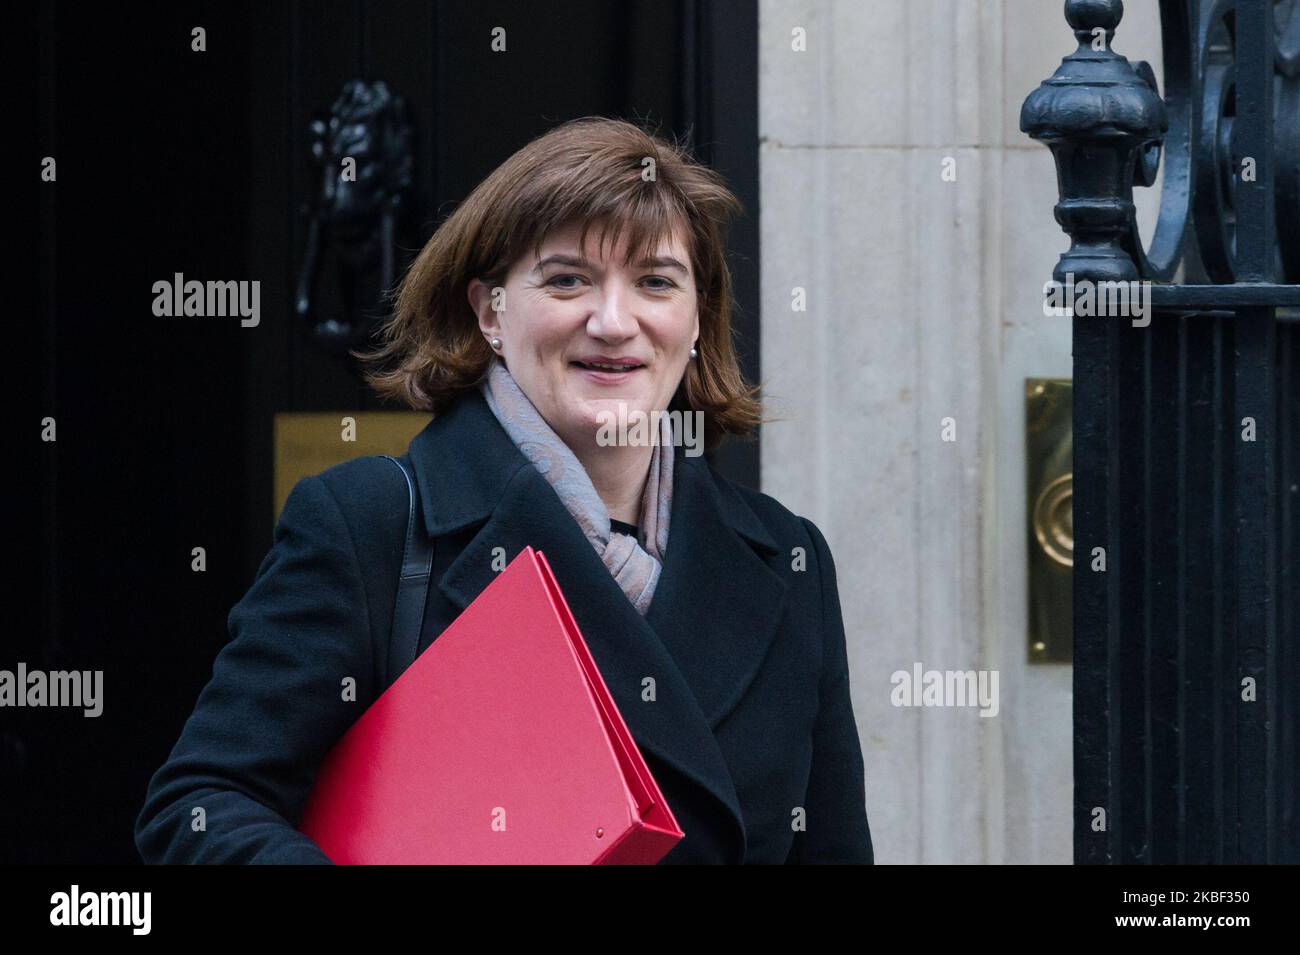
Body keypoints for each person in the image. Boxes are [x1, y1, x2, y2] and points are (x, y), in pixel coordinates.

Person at [134, 116, 873, 864]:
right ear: (490, 312)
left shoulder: (789, 560)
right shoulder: (372, 525)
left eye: (655, 281)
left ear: (696, 318)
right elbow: (197, 806)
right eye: (567, 280)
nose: (614, 322)